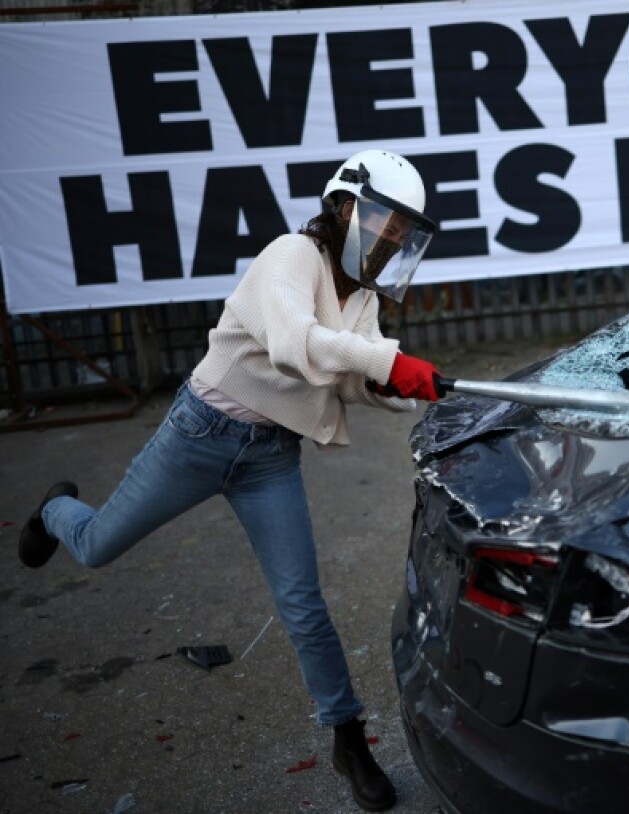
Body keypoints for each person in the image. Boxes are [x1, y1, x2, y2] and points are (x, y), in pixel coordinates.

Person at [18, 149, 443, 812]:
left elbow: (349, 378)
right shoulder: (290, 256)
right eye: (384, 221)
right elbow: (295, 343)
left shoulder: (361, 298)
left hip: (270, 456)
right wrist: (389, 362)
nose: (391, 238)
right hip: (200, 434)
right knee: (96, 545)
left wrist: (402, 388)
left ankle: (347, 738)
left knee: (303, 605)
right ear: (344, 207)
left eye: (402, 231)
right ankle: (55, 511)